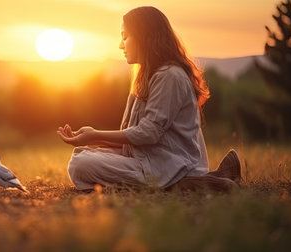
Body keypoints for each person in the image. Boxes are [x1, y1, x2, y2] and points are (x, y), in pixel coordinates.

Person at [57, 6, 241, 192]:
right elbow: (134, 136)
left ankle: (193, 184)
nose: (121, 45)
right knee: (81, 156)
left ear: (144, 37)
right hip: (146, 158)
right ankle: (207, 179)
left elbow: (149, 133)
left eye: (125, 37)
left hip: (169, 165)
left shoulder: (170, 75)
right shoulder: (146, 76)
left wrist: (96, 135)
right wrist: (90, 139)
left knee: (82, 164)